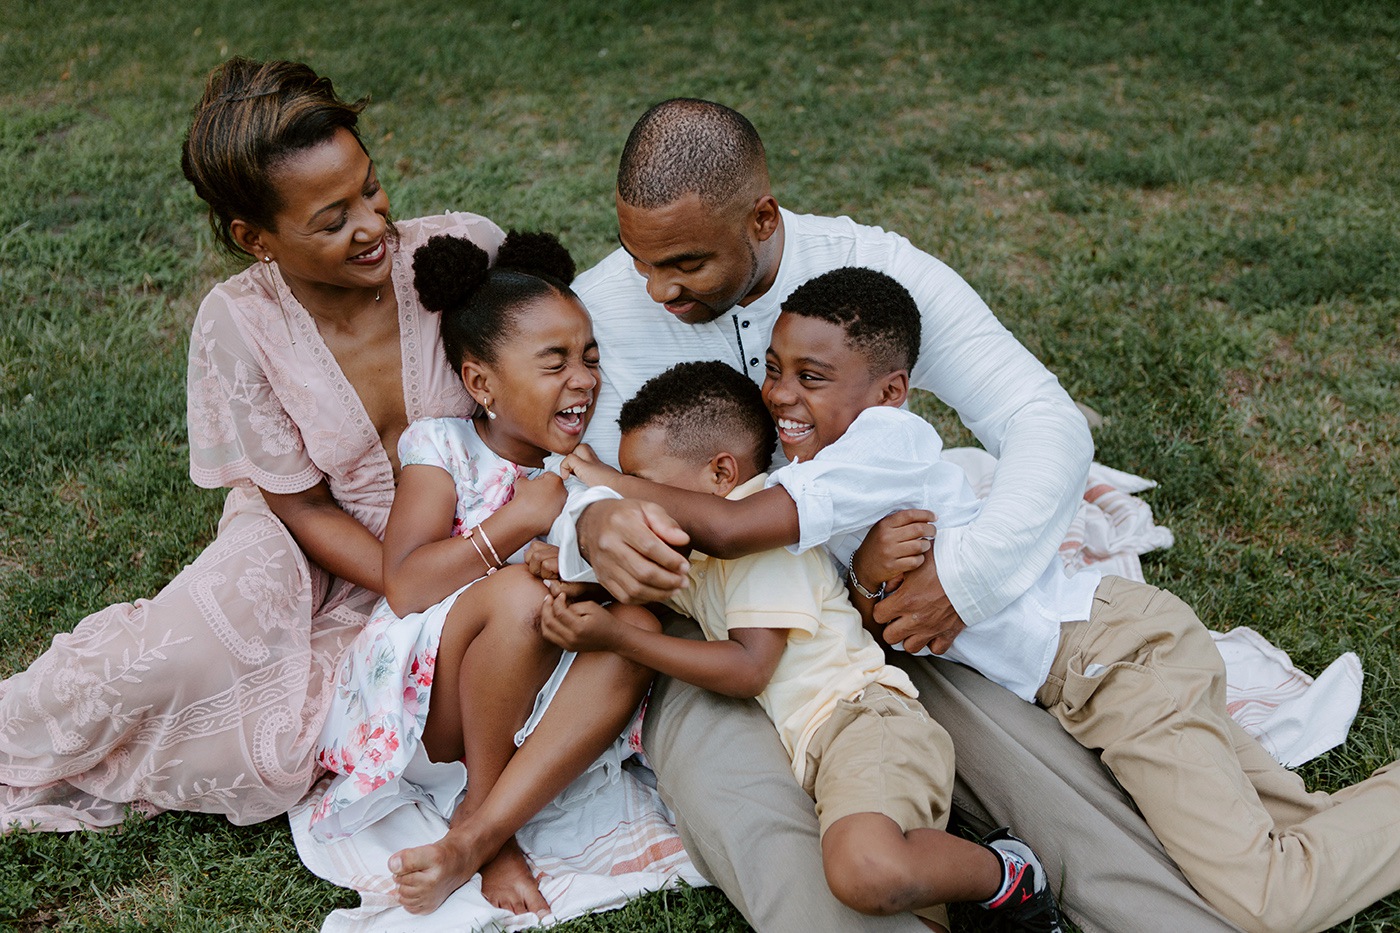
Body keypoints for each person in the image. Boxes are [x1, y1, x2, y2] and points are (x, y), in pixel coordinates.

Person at [551, 97, 1243, 932]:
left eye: (688, 264)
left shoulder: (867, 274)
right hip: (700, 624)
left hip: (874, 613)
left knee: (1068, 817)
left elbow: (1038, 416)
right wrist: (590, 524)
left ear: (762, 218)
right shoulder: (603, 307)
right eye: (639, 260)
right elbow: (564, 471)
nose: (657, 290)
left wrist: (969, 574)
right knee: (773, 838)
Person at [582, 268, 1400, 933]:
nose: (783, 395)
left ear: (891, 390)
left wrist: (591, 481)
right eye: (775, 370)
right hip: (1081, 676)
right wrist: (867, 573)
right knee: (1284, 818)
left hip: (1116, 660)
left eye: (813, 376)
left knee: (1269, 897)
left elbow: (728, 527)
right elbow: (870, 612)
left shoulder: (883, 442)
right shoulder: (817, 478)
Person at [542, 360, 1066, 933]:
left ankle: (1007, 873)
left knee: (867, 872)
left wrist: (616, 637)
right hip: (821, 746)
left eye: (645, 485)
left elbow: (749, 669)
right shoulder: (701, 556)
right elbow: (664, 589)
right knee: (893, 898)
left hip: (866, 723)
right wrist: (579, 567)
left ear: (722, 475)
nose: (637, 504)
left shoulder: (762, 551)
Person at [309, 231, 658, 916]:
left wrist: (577, 571)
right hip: (431, 705)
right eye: (554, 362)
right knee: (522, 593)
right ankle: (488, 826)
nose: (583, 379)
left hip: (535, 692)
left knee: (635, 631)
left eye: (590, 357)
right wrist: (517, 524)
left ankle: (480, 829)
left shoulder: (586, 467)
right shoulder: (444, 448)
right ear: (481, 382)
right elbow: (405, 581)